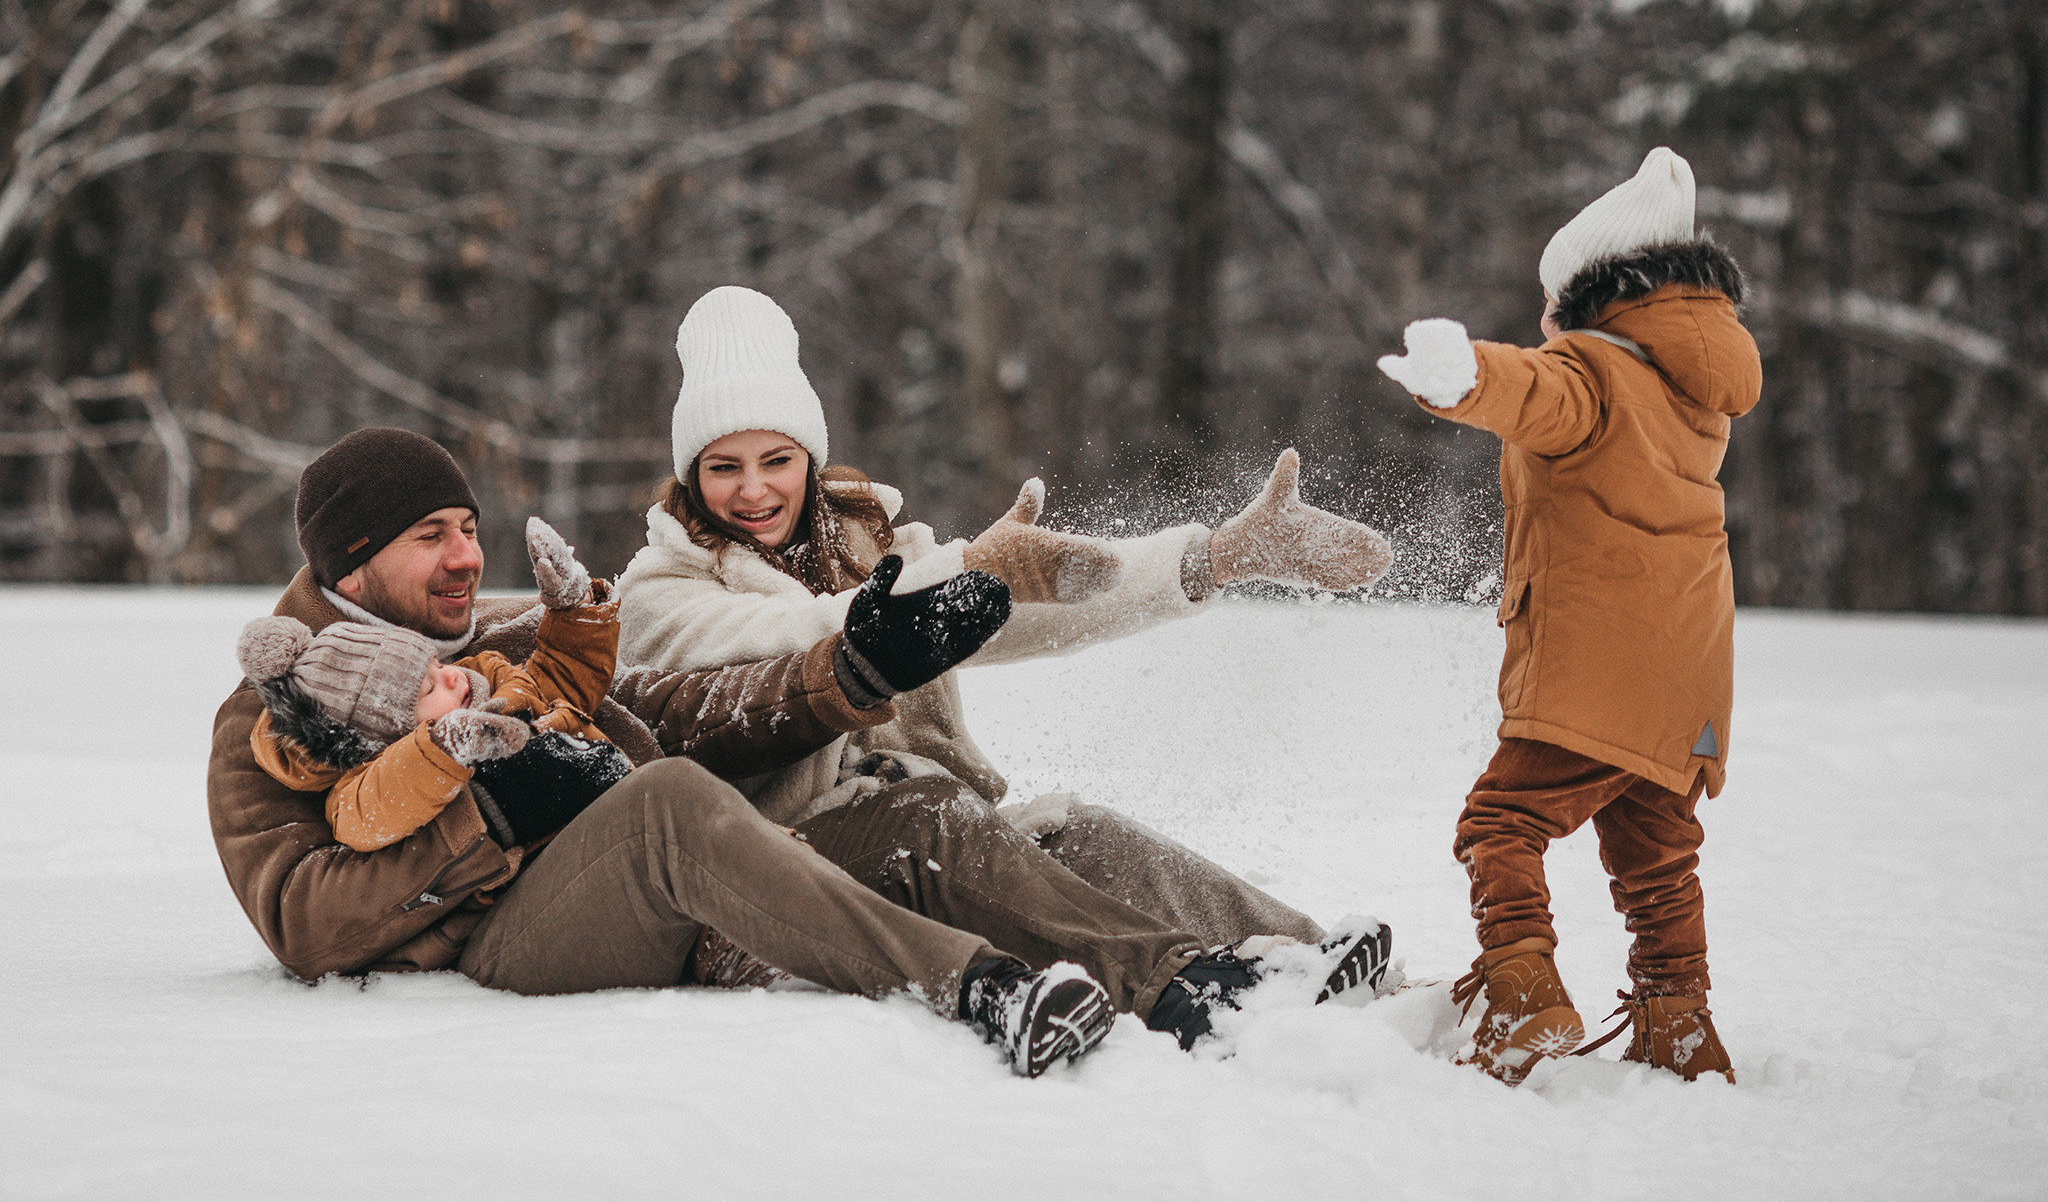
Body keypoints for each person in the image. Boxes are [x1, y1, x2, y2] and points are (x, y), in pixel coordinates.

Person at [203, 428, 1374, 1076]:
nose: (464, 557)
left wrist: (858, 669)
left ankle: (1264, 971)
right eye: (429, 538)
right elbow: (303, 920)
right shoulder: (270, 709)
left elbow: (682, 709)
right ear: (351, 563)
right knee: (668, 802)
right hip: (499, 939)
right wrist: (492, 818)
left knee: (941, 816)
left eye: (467, 527)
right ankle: (980, 986)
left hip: (699, 859)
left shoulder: (517, 634)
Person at [613, 284, 1398, 962]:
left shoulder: (870, 545)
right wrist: (965, 569)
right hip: (796, 878)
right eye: (724, 467)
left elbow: (1020, 614)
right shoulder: (664, 589)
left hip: (937, 827)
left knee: (1085, 836)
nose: (753, 490)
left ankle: (1314, 963)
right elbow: (800, 634)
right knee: (947, 823)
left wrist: (1214, 557)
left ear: (809, 460)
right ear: (691, 473)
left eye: (775, 459)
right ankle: (1196, 980)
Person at [1375, 147, 1761, 1085]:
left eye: (1553, 304)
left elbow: (1535, 392)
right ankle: (1680, 1024)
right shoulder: (1690, 387)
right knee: (1658, 852)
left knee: (1501, 820)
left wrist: (1463, 376)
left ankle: (1521, 993)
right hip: (1689, 675)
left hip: (1596, 666)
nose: (1544, 323)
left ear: (1593, 299)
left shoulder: (1592, 371)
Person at [232, 517, 631, 855]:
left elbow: (558, 683)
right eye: (427, 690)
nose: (452, 675)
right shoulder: (387, 773)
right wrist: (442, 749)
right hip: (578, 857)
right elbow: (369, 810)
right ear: (393, 732)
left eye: (437, 665)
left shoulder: (486, 679)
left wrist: (574, 607)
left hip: (622, 804)